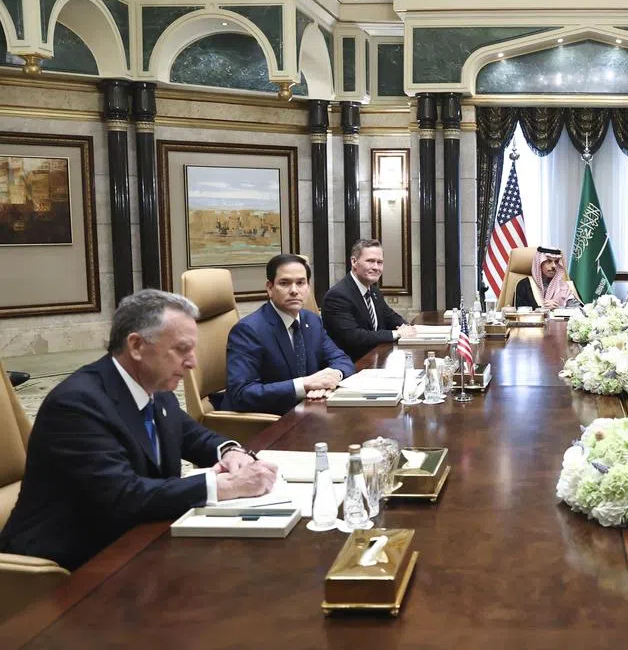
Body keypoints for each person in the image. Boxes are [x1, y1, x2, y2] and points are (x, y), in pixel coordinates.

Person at [0, 290, 278, 571]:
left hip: (136, 540)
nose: (193, 361)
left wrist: (230, 451)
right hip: (68, 568)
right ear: (136, 346)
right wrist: (225, 486)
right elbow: (123, 495)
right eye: (182, 349)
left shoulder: (155, 384)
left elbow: (190, 434)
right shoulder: (77, 405)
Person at [221, 254, 355, 415]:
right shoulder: (249, 330)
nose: (294, 290)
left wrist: (332, 376)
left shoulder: (312, 321)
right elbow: (242, 393)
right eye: (284, 283)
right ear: (270, 288)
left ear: (308, 286)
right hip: (269, 420)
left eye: (300, 283)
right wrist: (304, 385)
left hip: (307, 410)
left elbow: (342, 360)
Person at [322, 239, 417, 360]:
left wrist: (406, 327)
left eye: (380, 262)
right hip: (352, 366)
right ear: (354, 262)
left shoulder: (374, 291)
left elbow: (391, 318)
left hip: (376, 360)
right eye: (370, 261)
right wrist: (397, 334)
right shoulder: (337, 296)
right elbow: (354, 337)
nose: (376, 267)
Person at [512, 246, 580, 309]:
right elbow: (520, 313)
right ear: (539, 263)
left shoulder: (564, 286)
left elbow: (578, 311)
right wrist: (544, 309)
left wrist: (558, 308)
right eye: (549, 261)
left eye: (556, 262)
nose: (554, 266)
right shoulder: (524, 285)